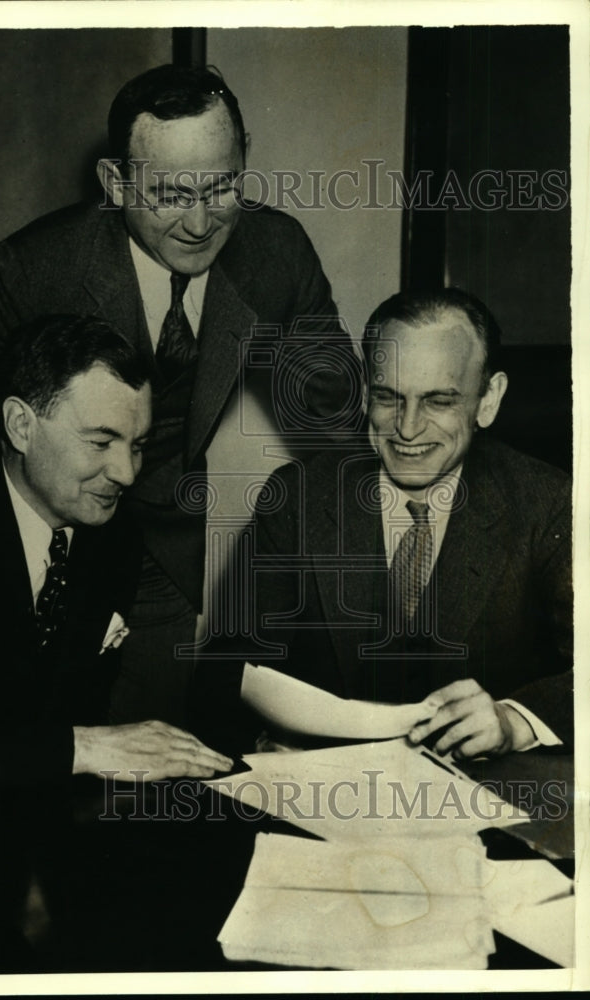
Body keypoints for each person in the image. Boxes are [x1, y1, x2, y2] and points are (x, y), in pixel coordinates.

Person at [0, 63, 357, 727]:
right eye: (172, 194)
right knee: (26, 746)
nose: (201, 222)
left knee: (161, 756)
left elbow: (336, 415)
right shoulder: (35, 270)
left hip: (184, 540)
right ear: (115, 185)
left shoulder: (276, 252)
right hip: (53, 544)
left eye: (222, 187)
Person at [0, 315, 232, 974]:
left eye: (138, 445)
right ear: (22, 426)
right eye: (101, 441)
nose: (125, 471)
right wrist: (80, 746)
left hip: (29, 855)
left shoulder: (112, 538)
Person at [194, 288, 572, 759]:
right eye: (388, 397)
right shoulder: (297, 496)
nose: (408, 428)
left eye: (438, 401)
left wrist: (513, 721)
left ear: (488, 399)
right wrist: (265, 742)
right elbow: (225, 669)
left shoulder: (548, 503)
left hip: (483, 805)